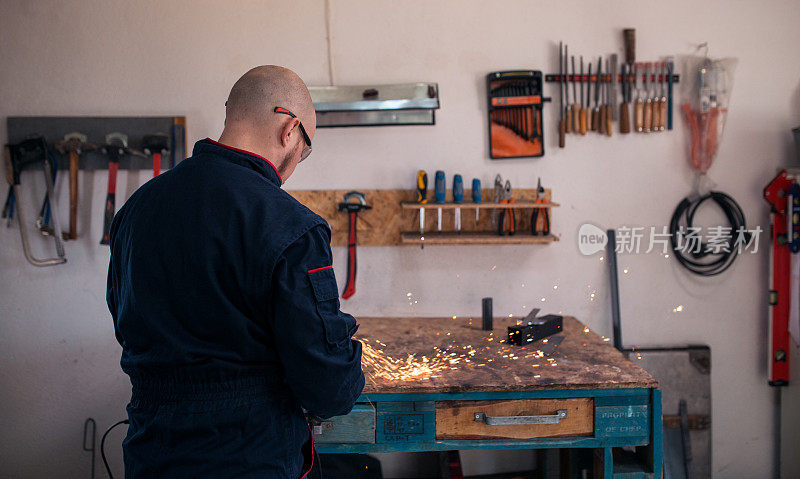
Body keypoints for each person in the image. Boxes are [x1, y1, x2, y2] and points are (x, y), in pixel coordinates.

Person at [106, 65, 364, 478]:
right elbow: (327, 388)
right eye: (306, 147)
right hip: (249, 458)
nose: (299, 158)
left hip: (152, 454)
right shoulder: (290, 226)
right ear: (290, 129)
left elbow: (125, 323)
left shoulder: (136, 210)